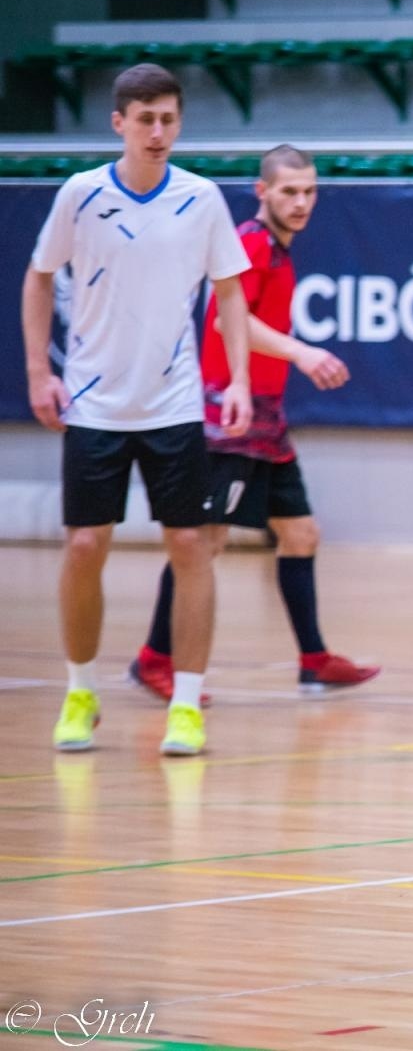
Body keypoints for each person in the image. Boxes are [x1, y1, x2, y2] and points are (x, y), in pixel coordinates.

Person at [23, 64, 253, 756]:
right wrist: (40, 370)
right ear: (119, 122)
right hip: (93, 403)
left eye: (169, 119)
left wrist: (237, 378)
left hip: (175, 402)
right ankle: (80, 691)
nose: (158, 132)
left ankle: (186, 703)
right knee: (85, 546)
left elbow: (233, 295)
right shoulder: (81, 195)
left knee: (190, 547)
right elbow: (39, 277)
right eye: (145, 119)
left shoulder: (202, 199)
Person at [129, 144, 380, 701]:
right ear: (263, 192)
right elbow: (225, 319)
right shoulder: (250, 242)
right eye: (290, 191)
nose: (302, 201)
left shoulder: (279, 249)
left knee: (300, 533)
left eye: (310, 191)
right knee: (205, 542)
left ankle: (314, 660)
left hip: (267, 417)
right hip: (229, 414)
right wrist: (303, 352)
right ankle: (154, 657)